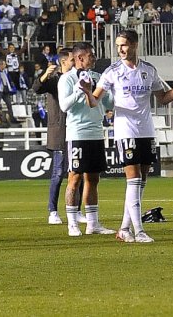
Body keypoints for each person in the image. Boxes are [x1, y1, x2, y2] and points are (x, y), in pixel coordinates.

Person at [99, 30, 173, 243]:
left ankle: (125, 229)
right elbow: (94, 100)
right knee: (134, 179)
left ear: (135, 44)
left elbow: (163, 98)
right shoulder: (112, 71)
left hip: (146, 131)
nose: (120, 49)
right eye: (118, 45)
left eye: (124, 44)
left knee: (141, 180)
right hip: (125, 131)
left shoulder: (148, 70)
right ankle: (139, 231)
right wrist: (88, 94)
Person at [58, 42, 115, 237]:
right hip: (78, 134)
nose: (94, 58)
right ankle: (72, 224)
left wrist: (112, 91)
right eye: (91, 55)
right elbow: (64, 106)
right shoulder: (66, 79)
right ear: (80, 58)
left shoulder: (98, 78)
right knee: (74, 178)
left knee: (93, 178)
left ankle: (93, 223)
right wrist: (79, 90)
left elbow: (108, 103)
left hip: (97, 133)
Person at [30, 49, 70, 225]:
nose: (75, 61)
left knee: (78, 173)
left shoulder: (77, 78)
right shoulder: (54, 80)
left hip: (77, 130)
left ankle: (75, 210)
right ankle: (52, 211)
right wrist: (45, 73)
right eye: (71, 59)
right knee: (58, 173)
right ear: (63, 62)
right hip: (60, 132)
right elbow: (36, 88)